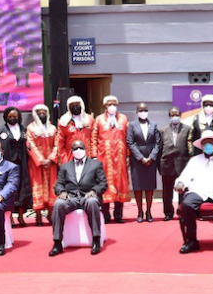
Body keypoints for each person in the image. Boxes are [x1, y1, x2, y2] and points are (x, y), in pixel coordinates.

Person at [49, 140, 108, 257]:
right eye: (75, 148)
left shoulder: (95, 165)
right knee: (58, 204)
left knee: (92, 202)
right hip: (71, 197)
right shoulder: (65, 166)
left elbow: (103, 183)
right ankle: (57, 242)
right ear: (71, 151)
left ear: (85, 149)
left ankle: (96, 239)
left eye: (80, 147)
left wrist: (94, 191)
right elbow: (59, 184)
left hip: (88, 195)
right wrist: (61, 191)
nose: (78, 150)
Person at [93, 95, 131, 223]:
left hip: (120, 157)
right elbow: (93, 139)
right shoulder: (98, 120)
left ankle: (118, 214)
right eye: (109, 104)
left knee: (120, 184)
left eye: (114, 103)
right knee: (105, 185)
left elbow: (128, 139)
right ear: (105, 106)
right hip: (104, 157)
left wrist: (128, 155)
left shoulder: (124, 119)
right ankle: (105, 215)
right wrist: (94, 156)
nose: (111, 106)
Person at [0, 107, 32, 227]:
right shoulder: (0, 130)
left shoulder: (24, 129)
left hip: (22, 163)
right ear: (5, 117)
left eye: (15, 116)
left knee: (22, 189)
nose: (12, 118)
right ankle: (9, 217)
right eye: (10, 116)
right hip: (7, 164)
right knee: (9, 189)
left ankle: (21, 216)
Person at [127, 102, 161, 223]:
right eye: (140, 110)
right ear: (137, 112)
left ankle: (149, 211)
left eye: (145, 110)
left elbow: (158, 143)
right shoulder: (132, 125)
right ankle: (140, 211)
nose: (143, 112)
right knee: (138, 187)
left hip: (151, 160)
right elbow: (130, 142)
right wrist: (141, 158)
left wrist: (151, 157)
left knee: (149, 187)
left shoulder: (154, 124)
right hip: (137, 161)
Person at [26, 104, 59, 226]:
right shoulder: (31, 128)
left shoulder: (53, 128)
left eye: (44, 112)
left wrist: (51, 158)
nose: (42, 114)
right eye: (39, 112)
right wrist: (40, 160)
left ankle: (51, 214)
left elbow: (57, 144)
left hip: (51, 164)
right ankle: (38, 217)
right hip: (37, 164)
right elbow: (30, 145)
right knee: (37, 187)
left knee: (52, 187)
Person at [159, 107, 191, 221]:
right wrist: (159, 166)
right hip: (167, 164)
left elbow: (190, 149)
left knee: (183, 190)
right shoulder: (162, 130)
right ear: (169, 116)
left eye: (176, 114)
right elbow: (159, 149)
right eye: (172, 115)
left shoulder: (187, 129)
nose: (174, 117)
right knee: (167, 192)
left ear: (180, 115)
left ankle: (183, 210)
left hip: (182, 164)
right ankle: (168, 213)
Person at [56, 95, 94, 164]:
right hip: (71, 156)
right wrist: (64, 161)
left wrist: (94, 156)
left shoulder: (89, 120)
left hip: (87, 156)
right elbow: (60, 143)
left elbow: (93, 139)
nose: (75, 107)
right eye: (72, 105)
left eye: (77, 104)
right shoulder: (64, 121)